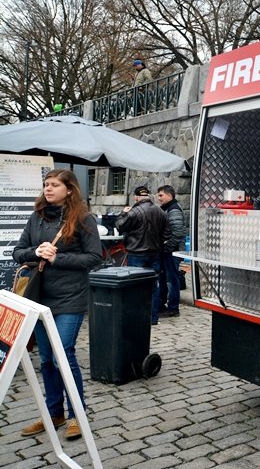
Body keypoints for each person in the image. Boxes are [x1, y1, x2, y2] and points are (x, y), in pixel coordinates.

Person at [13, 169, 102, 441]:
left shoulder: (83, 218)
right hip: (39, 296)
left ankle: (77, 414)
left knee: (63, 352)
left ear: (70, 189)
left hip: (70, 297)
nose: (48, 189)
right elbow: (18, 252)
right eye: (45, 184)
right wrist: (36, 252)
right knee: (48, 358)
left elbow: (94, 257)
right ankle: (54, 413)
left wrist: (57, 259)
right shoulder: (36, 216)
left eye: (54, 185)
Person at [115, 185, 169, 325]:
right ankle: (153, 318)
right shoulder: (160, 211)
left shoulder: (134, 212)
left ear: (136, 197)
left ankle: (137, 316)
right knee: (154, 286)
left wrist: (123, 213)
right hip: (155, 253)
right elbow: (168, 233)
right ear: (149, 196)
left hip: (137, 253)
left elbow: (120, 226)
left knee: (135, 286)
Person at [156, 185, 185, 318]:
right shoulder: (167, 209)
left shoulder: (174, 210)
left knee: (172, 280)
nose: (158, 198)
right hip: (168, 251)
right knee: (164, 279)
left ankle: (173, 308)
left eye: (161, 195)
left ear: (169, 195)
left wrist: (167, 248)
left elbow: (178, 233)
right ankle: (162, 305)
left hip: (172, 252)